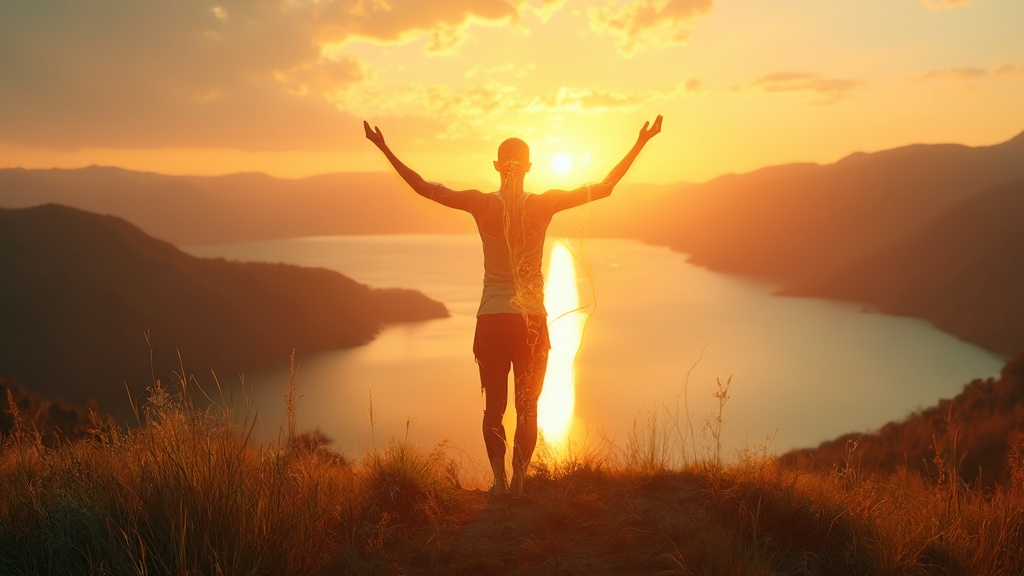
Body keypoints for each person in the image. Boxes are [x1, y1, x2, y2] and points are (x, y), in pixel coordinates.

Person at [364, 115, 663, 495]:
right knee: (528, 409)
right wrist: (641, 142)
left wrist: (383, 147)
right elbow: (604, 187)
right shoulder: (543, 204)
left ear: (495, 166)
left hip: (490, 320)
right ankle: (520, 482)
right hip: (530, 322)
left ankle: (499, 482)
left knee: (494, 409)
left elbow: (424, 188)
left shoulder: (480, 203)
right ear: (530, 167)